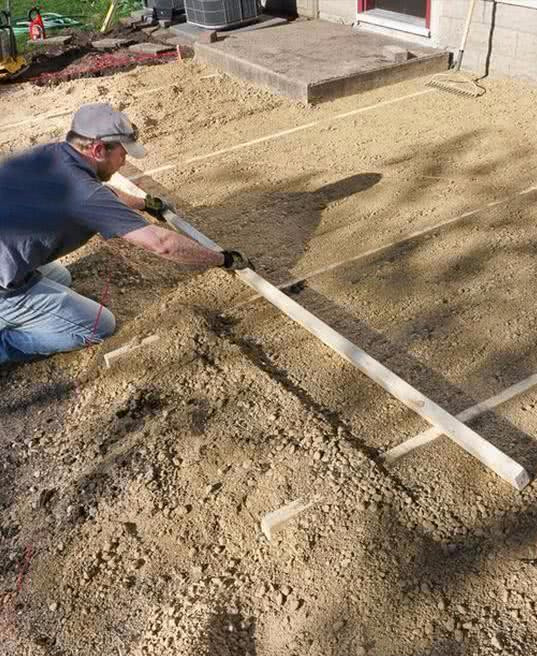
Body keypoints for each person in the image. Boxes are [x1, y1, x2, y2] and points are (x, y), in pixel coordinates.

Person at [0, 103, 251, 364]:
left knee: (61, 277)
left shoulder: (57, 155)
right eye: (123, 154)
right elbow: (161, 244)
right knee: (98, 326)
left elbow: (103, 195)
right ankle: (5, 345)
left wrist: (146, 204)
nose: (125, 161)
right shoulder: (83, 192)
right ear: (98, 150)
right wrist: (223, 259)